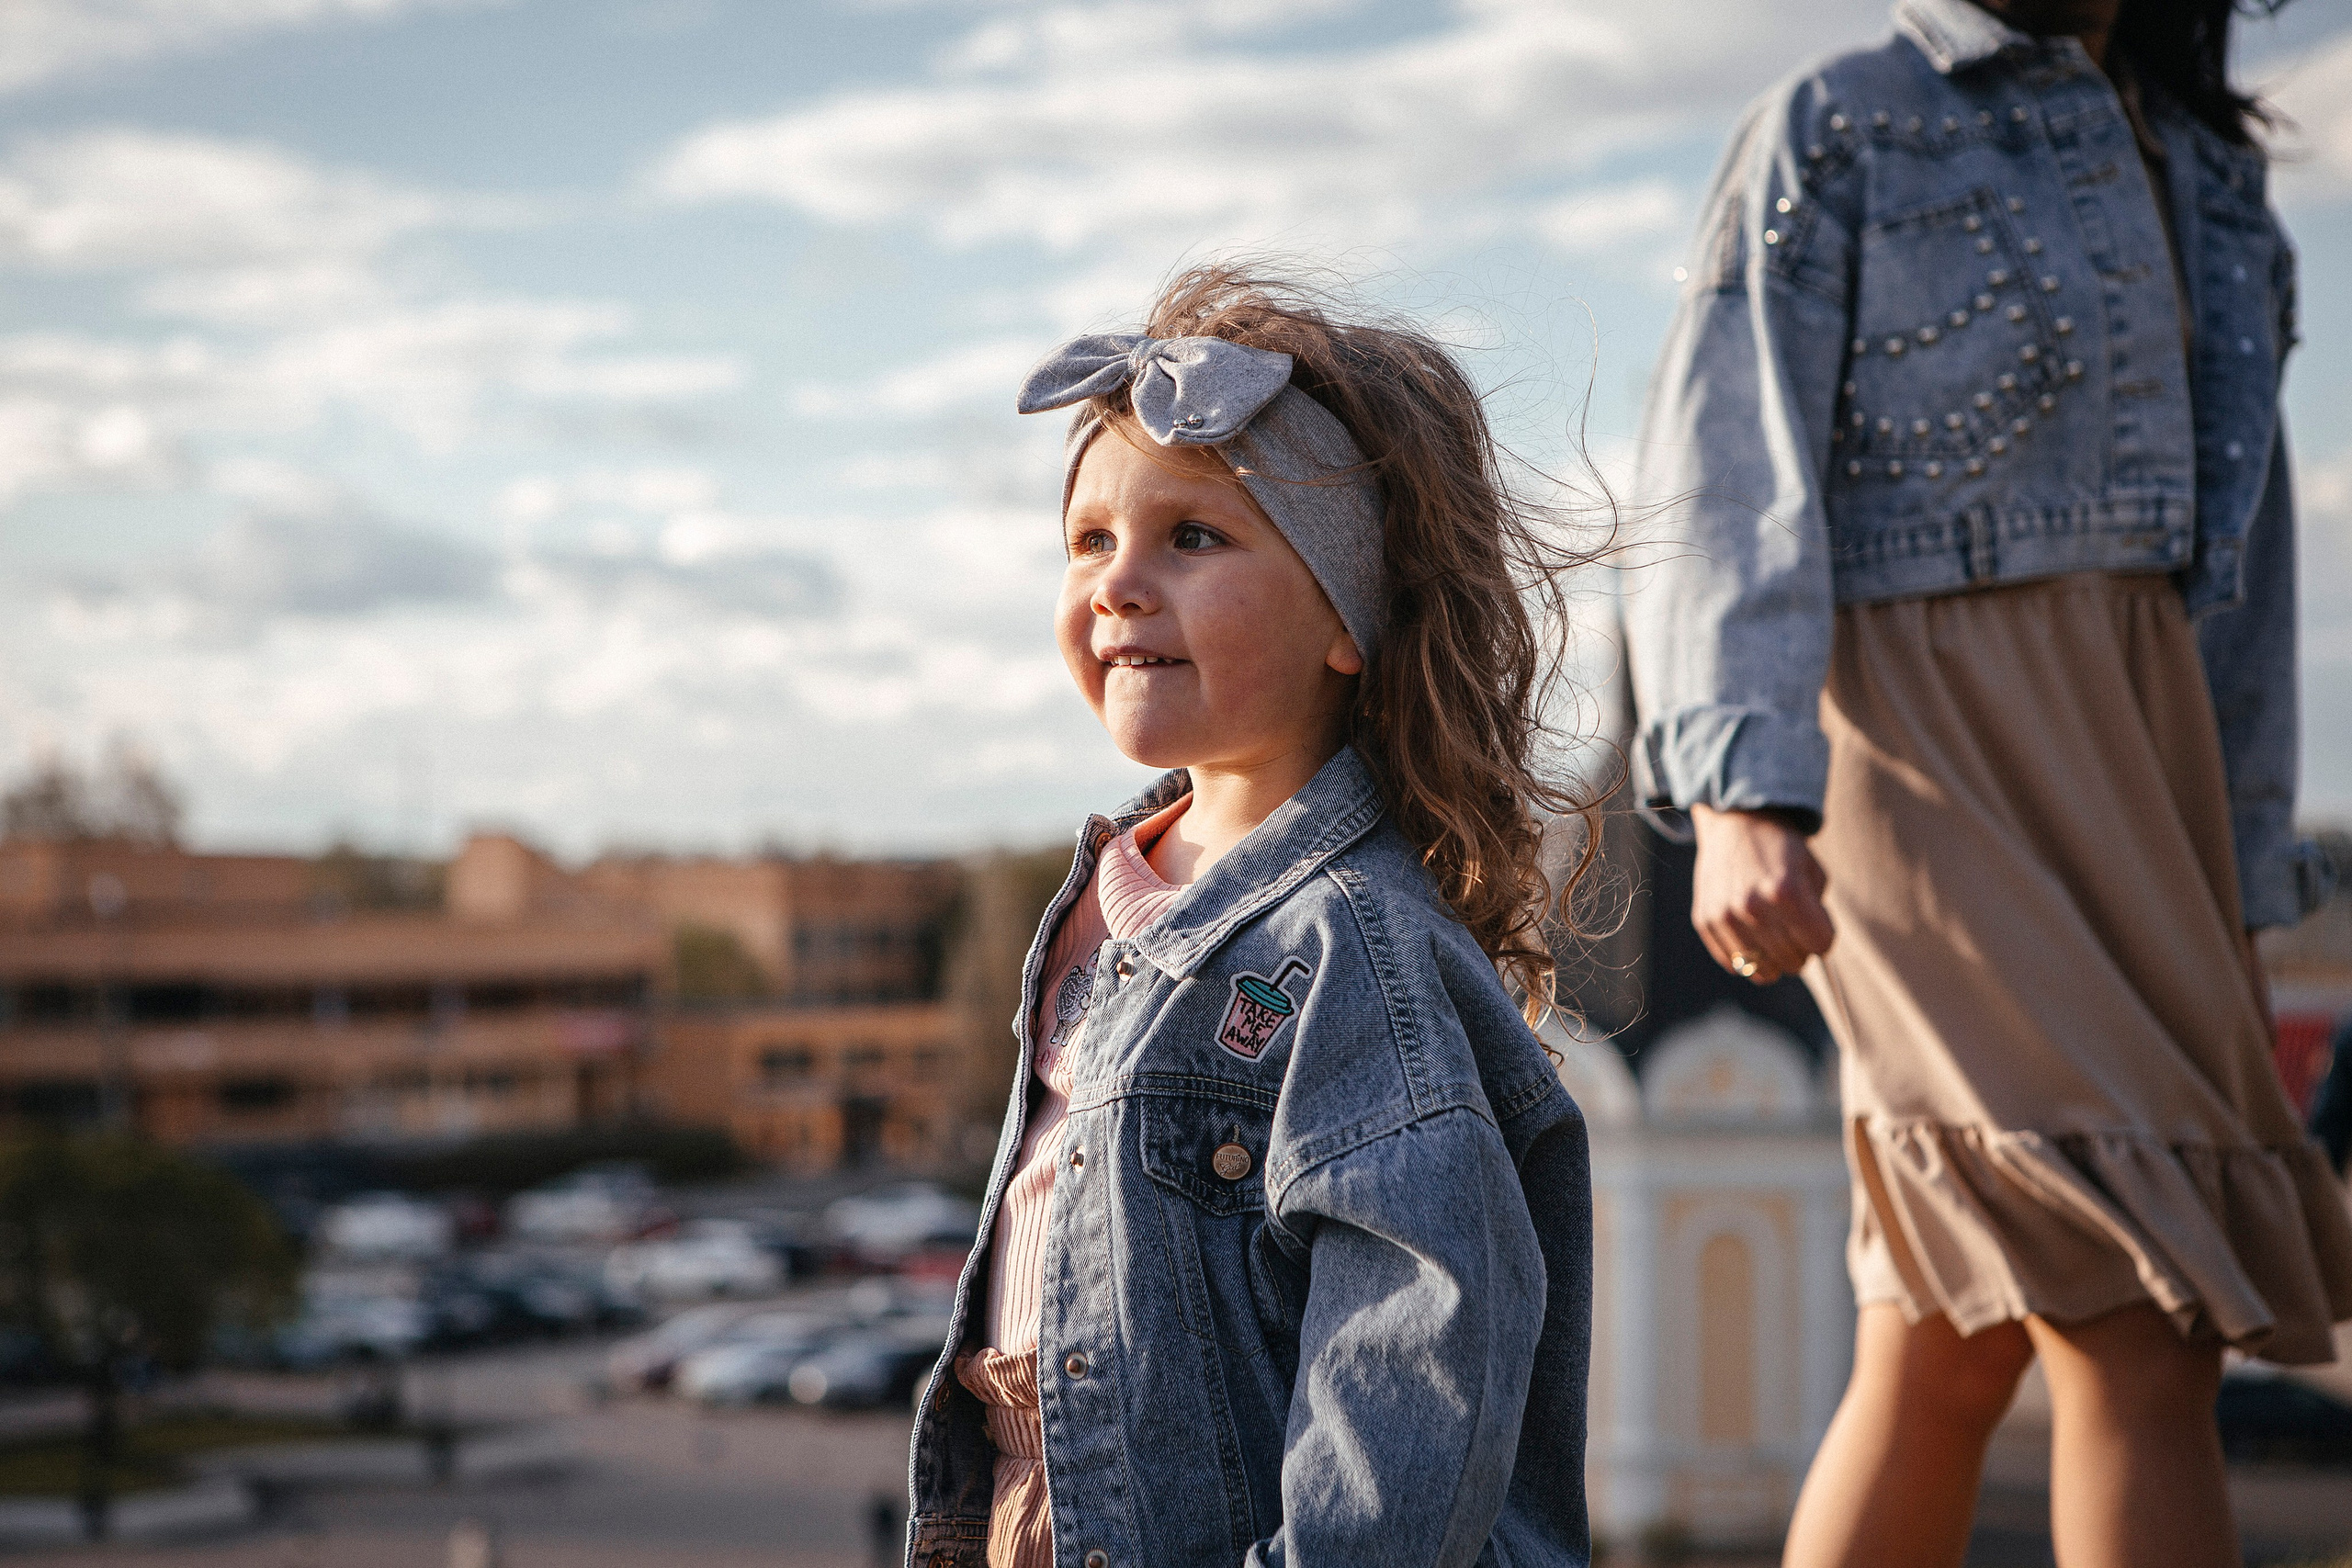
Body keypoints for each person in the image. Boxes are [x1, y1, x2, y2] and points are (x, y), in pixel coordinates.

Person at [1622, 2, 2352, 1564]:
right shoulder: (1841, 126)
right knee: (2141, 1318)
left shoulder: (2214, 181)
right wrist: (1742, 787)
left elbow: (2241, 571)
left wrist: (2236, 869)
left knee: (1948, 1346)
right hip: (1923, 757)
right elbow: (1723, 464)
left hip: (2145, 777)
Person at [904, 267, 1596, 1568]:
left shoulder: (1354, 954)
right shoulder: (1107, 898)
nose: (1118, 582)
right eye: (1093, 539)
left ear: (1350, 616)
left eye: (1194, 538)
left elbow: (1406, 1414)